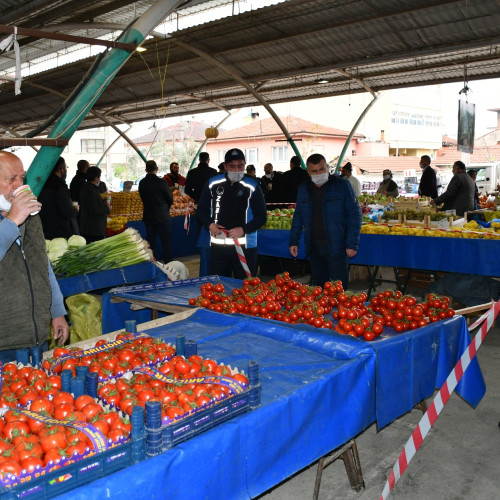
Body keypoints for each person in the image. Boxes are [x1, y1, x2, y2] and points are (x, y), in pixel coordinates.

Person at [0, 151, 68, 358]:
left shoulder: (30, 216)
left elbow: (42, 265)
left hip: (35, 335)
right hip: (5, 341)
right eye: (11, 179)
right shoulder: (17, 215)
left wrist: (57, 311)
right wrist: (12, 222)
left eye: (22, 178)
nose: (18, 185)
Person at [289, 153, 361, 289]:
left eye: (322, 169)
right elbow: (298, 216)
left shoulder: (342, 185)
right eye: (314, 171)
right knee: (319, 290)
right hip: (314, 248)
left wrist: (352, 243)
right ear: (308, 172)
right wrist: (294, 241)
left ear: (328, 168)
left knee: (338, 291)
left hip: (337, 247)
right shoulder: (303, 188)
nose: (319, 174)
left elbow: (354, 215)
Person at [197, 148, 267, 279]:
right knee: (219, 287)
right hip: (218, 246)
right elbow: (201, 209)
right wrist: (210, 224)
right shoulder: (213, 183)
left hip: (245, 246)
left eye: (240, 166)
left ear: (245, 164)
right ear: (225, 166)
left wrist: (243, 229)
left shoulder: (253, 185)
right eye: (232, 166)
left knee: (245, 287)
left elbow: (262, 217)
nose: (236, 170)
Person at [139, 160, 173, 263]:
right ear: (157, 169)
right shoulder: (161, 182)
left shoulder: (142, 183)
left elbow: (142, 197)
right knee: (166, 242)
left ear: (146, 170)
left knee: (150, 242)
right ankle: (169, 264)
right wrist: (165, 207)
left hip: (149, 215)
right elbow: (169, 198)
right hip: (162, 216)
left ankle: (151, 263)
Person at [39, 156, 79, 239]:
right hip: (60, 232)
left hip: (44, 230)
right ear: (62, 169)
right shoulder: (59, 188)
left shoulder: (41, 185)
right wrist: (75, 209)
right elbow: (67, 212)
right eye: (65, 167)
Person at [79, 166, 110, 243]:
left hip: (90, 227)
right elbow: (95, 210)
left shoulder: (86, 188)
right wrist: (108, 209)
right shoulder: (91, 191)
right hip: (93, 229)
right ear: (96, 177)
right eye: (99, 176)